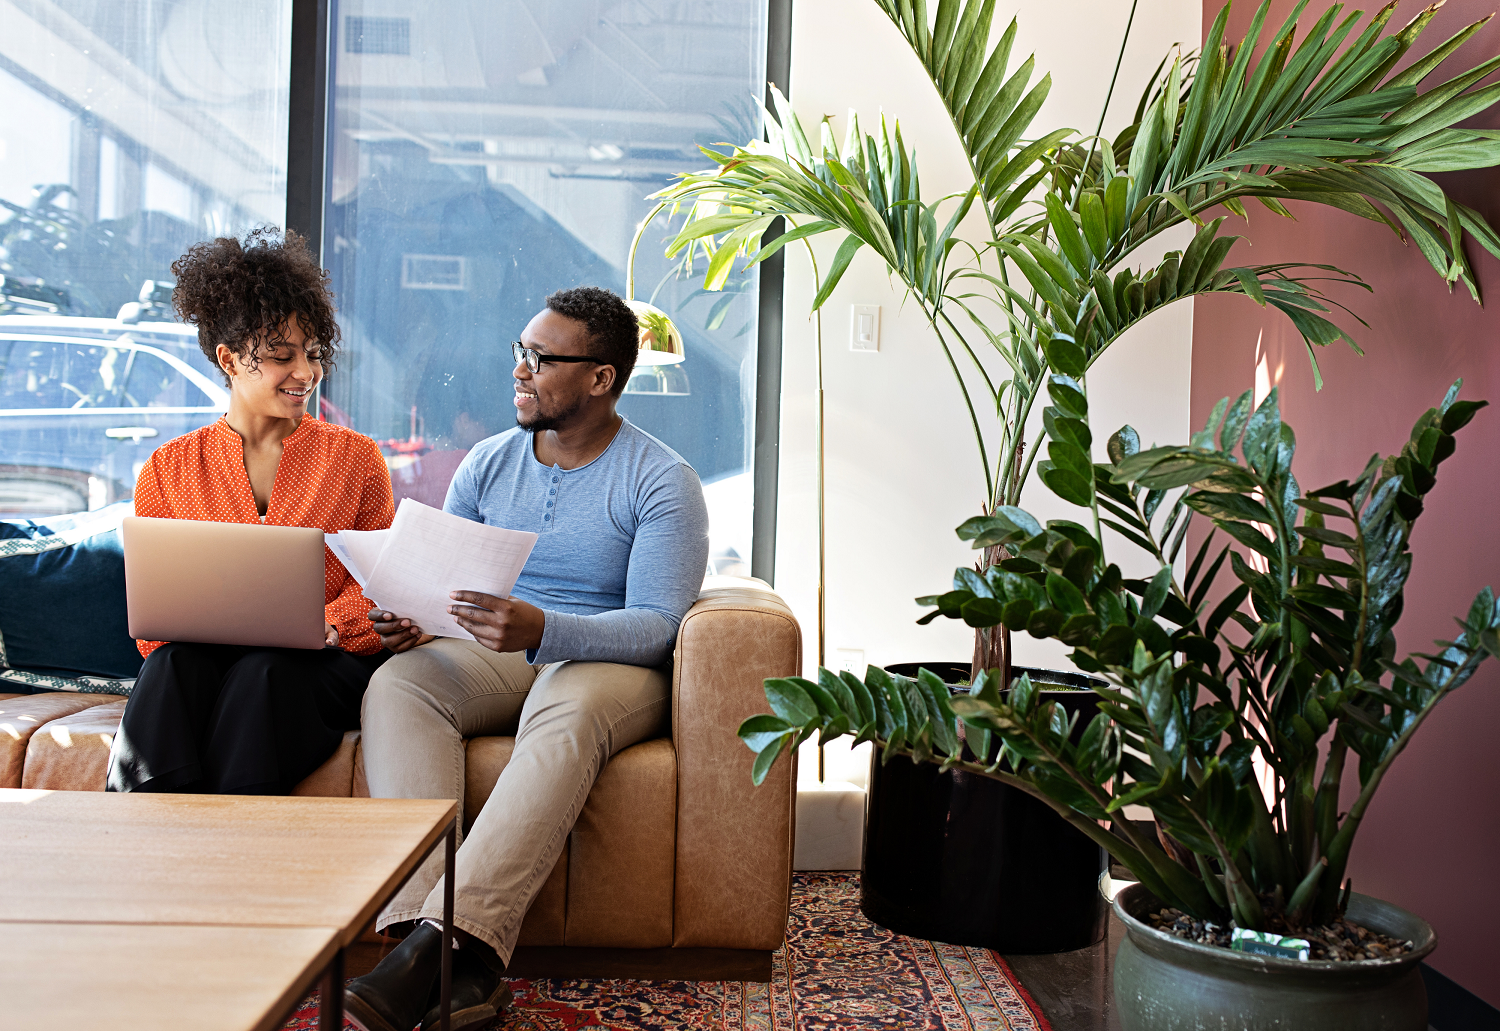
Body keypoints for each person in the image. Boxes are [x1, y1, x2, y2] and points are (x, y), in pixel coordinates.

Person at [344, 287, 709, 1031]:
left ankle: (437, 949)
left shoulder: (662, 479)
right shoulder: (487, 462)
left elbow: (660, 625)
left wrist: (544, 627)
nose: (520, 370)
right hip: (500, 648)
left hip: (611, 659)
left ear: (599, 378)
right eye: (520, 351)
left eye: (540, 359)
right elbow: (447, 577)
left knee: (564, 710)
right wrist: (415, 616)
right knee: (400, 685)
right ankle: (434, 948)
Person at [105, 228, 394, 796]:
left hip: (318, 668)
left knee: (262, 672)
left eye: (313, 355)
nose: (305, 374)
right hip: (210, 664)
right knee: (168, 670)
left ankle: (231, 844)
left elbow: (381, 582)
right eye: (281, 357)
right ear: (230, 359)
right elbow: (153, 625)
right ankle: (139, 834)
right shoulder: (170, 467)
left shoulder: (355, 459)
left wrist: (332, 626)